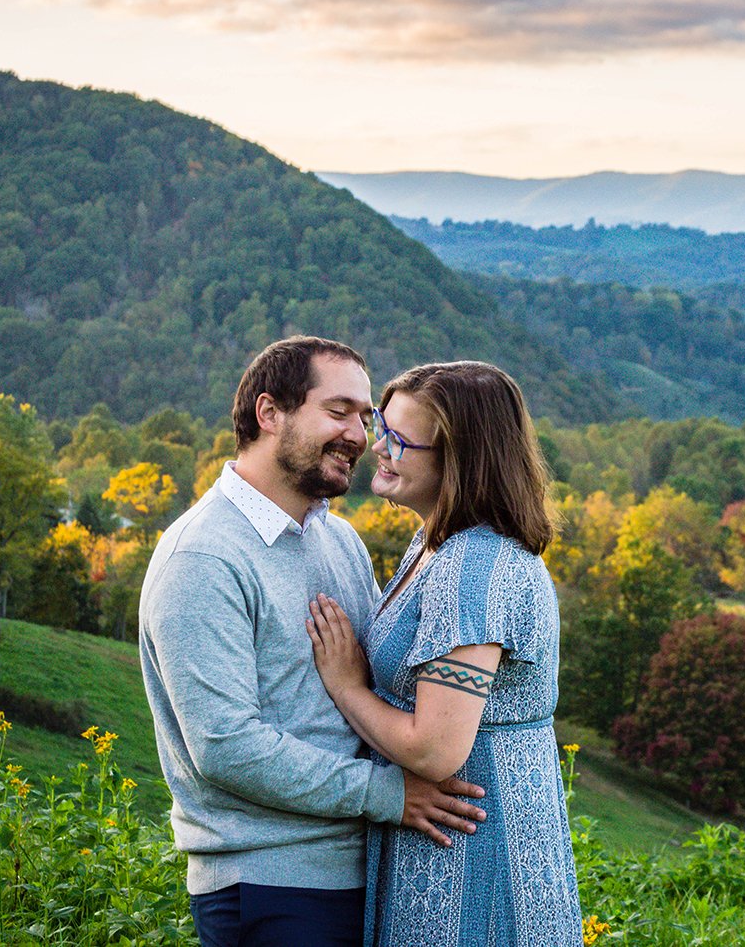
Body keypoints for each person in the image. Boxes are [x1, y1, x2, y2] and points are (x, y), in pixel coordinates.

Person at [138, 337, 487, 947]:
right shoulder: (204, 556)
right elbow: (225, 747)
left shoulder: (339, 542)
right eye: (338, 411)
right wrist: (386, 793)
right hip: (273, 883)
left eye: (364, 416)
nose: (360, 434)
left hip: (369, 871)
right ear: (270, 414)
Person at [305, 360, 582, 946]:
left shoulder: (474, 569)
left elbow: (434, 750)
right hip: (443, 851)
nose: (377, 447)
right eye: (384, 426)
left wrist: (347, 685)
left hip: (476, 866)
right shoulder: (434, 545)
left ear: (460, 460)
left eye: (401, 440)